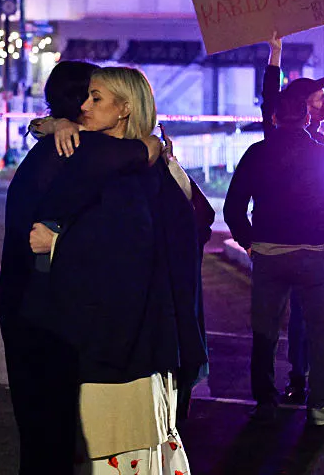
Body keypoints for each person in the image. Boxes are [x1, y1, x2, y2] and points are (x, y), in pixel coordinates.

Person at [27, 66, 205, 474]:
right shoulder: (142, 163)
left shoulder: (125, 175)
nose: (84, 107)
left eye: (96, 99)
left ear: (124, 109)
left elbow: (130, 251)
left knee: (120, 453)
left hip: (123, 345)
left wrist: (57, 246)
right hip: (149, 342)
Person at [0, 61, 164, 475]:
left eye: (98, 96)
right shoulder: (84, 150)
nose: (91, 106)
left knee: (42, 434)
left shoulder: (56, 146)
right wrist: (154, 144)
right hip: (41, 311)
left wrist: (48, 124)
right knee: (53, 436)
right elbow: (138, 150)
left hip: (24, 303)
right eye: (88, 95)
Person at [225, 74, 324, 426]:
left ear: (273, 118)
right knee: (319, 331)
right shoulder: (323, 154)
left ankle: (265, 403)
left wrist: (248, 241)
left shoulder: (257, 153)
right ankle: (321, 406)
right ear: (305, 116)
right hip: (314, 253)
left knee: (265, 332)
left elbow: (233, 207)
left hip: (268, 253)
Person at [259, 33, 324, 404]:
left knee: (317, 314)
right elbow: (270, 98)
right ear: (302, 106)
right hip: (307, 243)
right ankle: (309, 378)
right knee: (311, 314)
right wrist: (275, 55)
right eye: (318, 99)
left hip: (321, 243)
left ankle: (318, 375)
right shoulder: (281, 138)